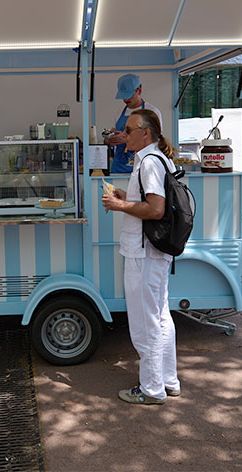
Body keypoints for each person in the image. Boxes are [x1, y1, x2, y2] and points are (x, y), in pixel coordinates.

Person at [101, 109, 180, 405]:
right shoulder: (159, 158)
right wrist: (126, 196)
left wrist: (120, 206)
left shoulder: (148, 162)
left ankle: (151, 389)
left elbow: (156, 209)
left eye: (129, 129)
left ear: (145, 133)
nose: (124, 134)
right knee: (160, 315)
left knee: (145, 321)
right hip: (155, 252)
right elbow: (151, 202)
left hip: (142, 252)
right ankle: (168, 381)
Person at [104, 74, 163, 174]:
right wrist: (111, 140)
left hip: (143, 165)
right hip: (119, 166)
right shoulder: (119, 111)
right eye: (123, 96)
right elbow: (112, 132)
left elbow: (157, 140)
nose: (125, 99)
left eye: (129, 95)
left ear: (139, 91)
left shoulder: (152, 112)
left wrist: (128, 139)